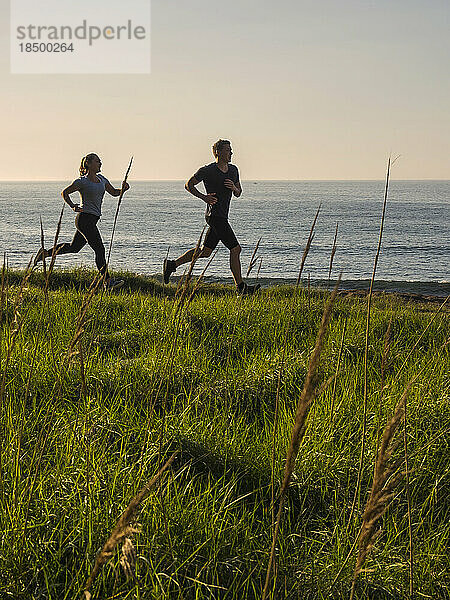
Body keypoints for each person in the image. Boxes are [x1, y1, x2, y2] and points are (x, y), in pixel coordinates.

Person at [163, 139, 260, 295]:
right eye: (228, 150)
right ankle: (241, 288)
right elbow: (189, 185)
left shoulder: (234, 170)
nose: (231, 153)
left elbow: (239, 192)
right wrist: (204, 197)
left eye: (231, 150)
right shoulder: (207, 170)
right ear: (218, 152)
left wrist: (234, 188)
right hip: (214, 216)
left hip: (223, 216)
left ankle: (172, 265)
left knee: (205, 252)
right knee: (236, 249)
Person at [34, 153, 129, 290]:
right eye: (97, 161)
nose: (100, 163)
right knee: (100, 249)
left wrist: (123, 190)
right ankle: (107, 281)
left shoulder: (102, 179)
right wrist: (73, 206)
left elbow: (114, 192)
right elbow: (64, 192)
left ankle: (46, 253)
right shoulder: (82, 181)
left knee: (74, 248)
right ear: (89, 164)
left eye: (100, 161)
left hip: (92, 220)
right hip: (84, 220)